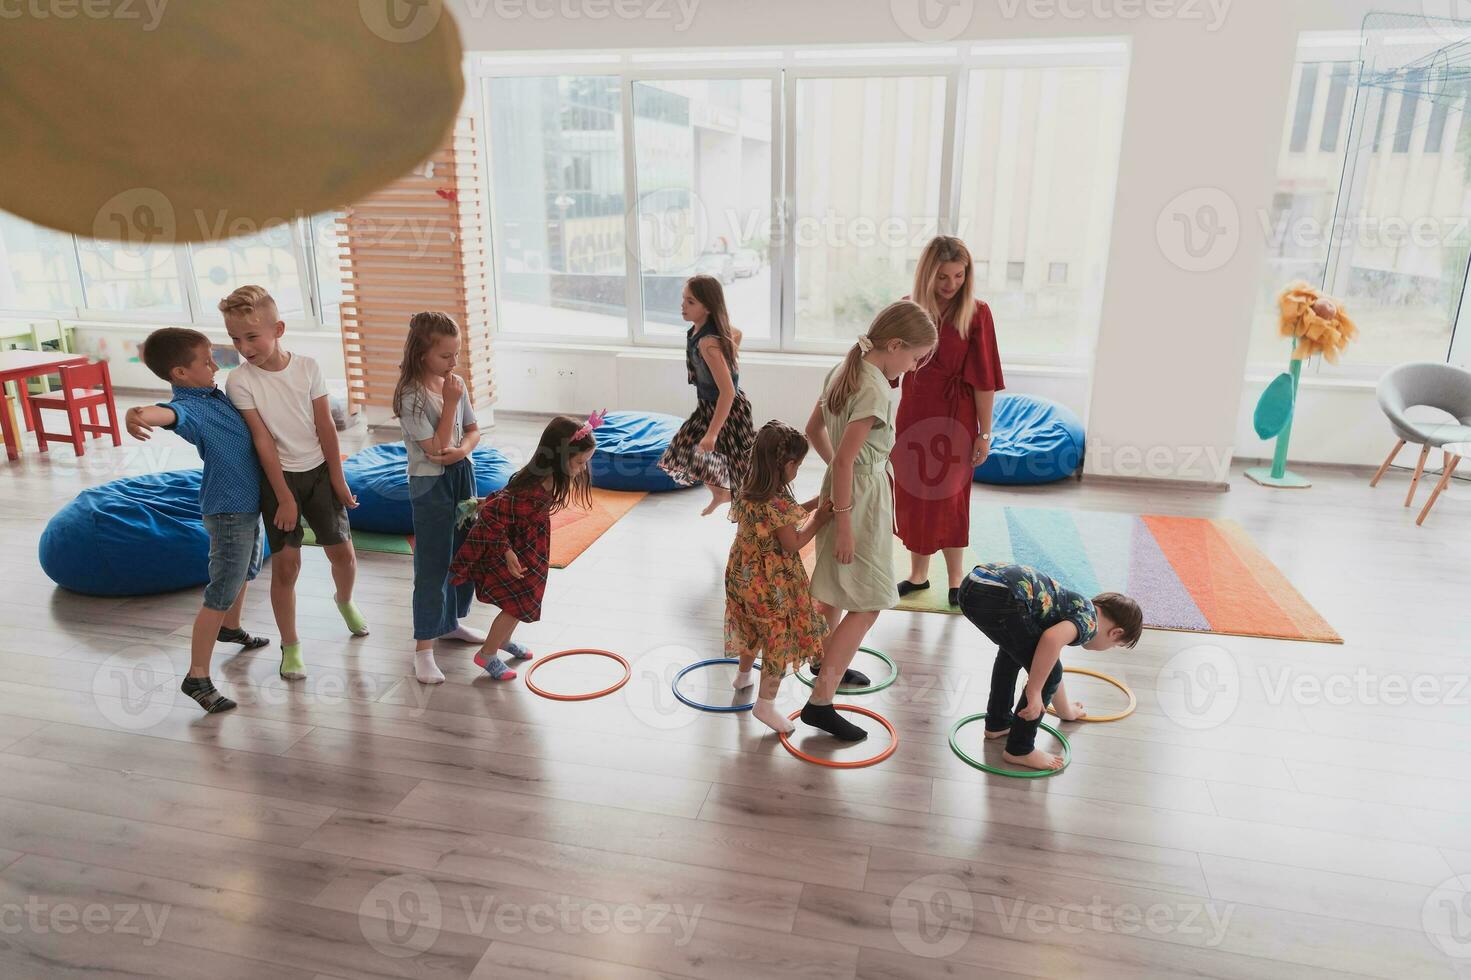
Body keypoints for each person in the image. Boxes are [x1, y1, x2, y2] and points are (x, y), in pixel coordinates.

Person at [801, 300, 937, 741]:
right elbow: (845, 459)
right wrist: (844, 516)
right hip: (857, 502)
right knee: (869, 601)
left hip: (845, 491)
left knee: (836, 590)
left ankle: (826, 664)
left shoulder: (844, 370)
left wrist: (839, 478)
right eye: (915, 358)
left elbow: (815, 433)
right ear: (894, 345)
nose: (914, 368)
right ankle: (820, 703)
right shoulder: (876, 388)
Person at [222, 285, 365, 681]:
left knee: (344, 557)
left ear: (278, 329)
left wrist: (338, 480)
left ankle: (345, 599)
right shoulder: (239, 381)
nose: (244, 346)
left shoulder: (308, 368)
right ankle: (291, 644)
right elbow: (262, 441)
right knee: (287, 568)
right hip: (278, 480)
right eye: (235, 338)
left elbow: (326, 427)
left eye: (252, 336)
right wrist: (284, 497)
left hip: (319, 472)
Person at [125, 328, 269, 713]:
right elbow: (167, 414)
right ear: (180, 374)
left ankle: (231, 628)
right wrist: (138, 414)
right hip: (227, 510)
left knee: (246, 570)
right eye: (205, 361)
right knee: (222, 587)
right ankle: (197, 677)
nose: (214, 364)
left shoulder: (215, 395)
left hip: (248, 504)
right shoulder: (191, 408)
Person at [892, 236, 1004, 607]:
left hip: (957, 418)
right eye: (943, 276)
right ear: (927, 274)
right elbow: (884, 362)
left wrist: (984, 434)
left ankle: (957, 580)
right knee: (913, 493)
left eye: (959, 275)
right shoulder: (908, 310)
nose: (951, 284)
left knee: (950, 497)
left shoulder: (977, 313)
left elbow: (984, 380)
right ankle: (918, 575)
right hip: (915, 414)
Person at [449, 415, 599, 681]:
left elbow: (506, 501)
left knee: (527, 598)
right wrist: (507, 552)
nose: (582, 469)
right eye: (579, 462)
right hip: (516, 552)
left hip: (531, 549)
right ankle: (487, 653)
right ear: (559, 455)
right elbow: (496, 513)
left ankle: (504, 641)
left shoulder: (549, 477)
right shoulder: (537, 485)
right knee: (516, 604)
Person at [956, 562, 1143, 770]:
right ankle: (1020, 748)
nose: (1109, 647)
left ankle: (998, 723)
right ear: (1115, 633)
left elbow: (1047, 659)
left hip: (973, 586)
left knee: (1014, 655)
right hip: (1000, 595)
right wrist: (1035, 691)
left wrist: (1066, 712)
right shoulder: (1089, 624)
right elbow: (1052, 641)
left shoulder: (1076, 605)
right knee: (1047, 674)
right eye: (1115, 645)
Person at [725, 421, 833, 734]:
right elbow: (793, 542)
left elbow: (781, 517)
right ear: (785, 465)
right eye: (797, 464)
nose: (798, 469)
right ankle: (766, 705)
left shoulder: (750, 489)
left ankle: (743, 676)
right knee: (777, 640)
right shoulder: (775, 502)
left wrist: (813, 502)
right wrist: (820, 519)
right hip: (771, 584)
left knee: (751, 626)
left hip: (742, 576)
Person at [657, 274, 756, 516]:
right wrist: (729, 357)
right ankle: (721, 494)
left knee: (739, 465)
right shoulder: (699, 331)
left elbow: (728, 391)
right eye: (684, 299)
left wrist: (712, 433)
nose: (683, 305)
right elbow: (737, 333)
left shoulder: (708, 344)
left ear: (708, 307)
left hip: (729, 408)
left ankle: (752, 513)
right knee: (681, 451)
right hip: (707, 406)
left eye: (691, 302)